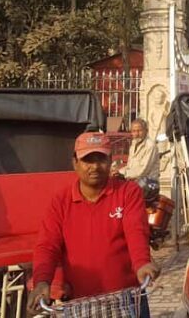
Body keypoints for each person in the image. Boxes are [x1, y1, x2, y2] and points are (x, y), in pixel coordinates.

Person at [28, 132, 160, 315]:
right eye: (87, 160)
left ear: (110, 160)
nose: (95, 167)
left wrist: (142, 263)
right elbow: (47, 245)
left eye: (101, 159)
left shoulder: (128, 192)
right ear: (75, 163)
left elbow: (136, 230)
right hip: (80, 303)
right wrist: (42, 281)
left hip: (127, 298)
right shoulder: (61, 201)